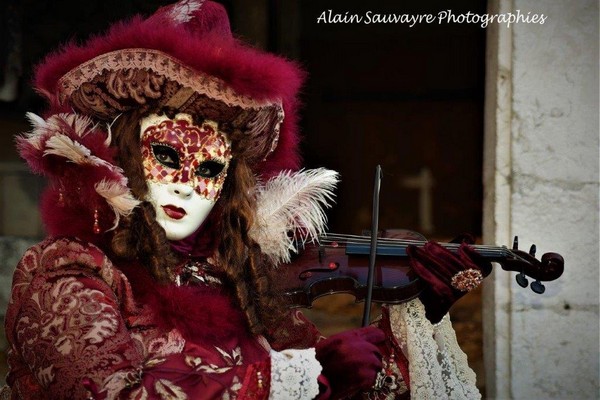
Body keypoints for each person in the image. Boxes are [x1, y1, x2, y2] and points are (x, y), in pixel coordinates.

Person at [1, 1, 491, 399]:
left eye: (211, 169)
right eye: (168, 155)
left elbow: (354, 381)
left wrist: (416, 312)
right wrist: (307, 376)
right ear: (121, 157)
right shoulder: (66, 271)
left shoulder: (236, 279)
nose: (189, 185)